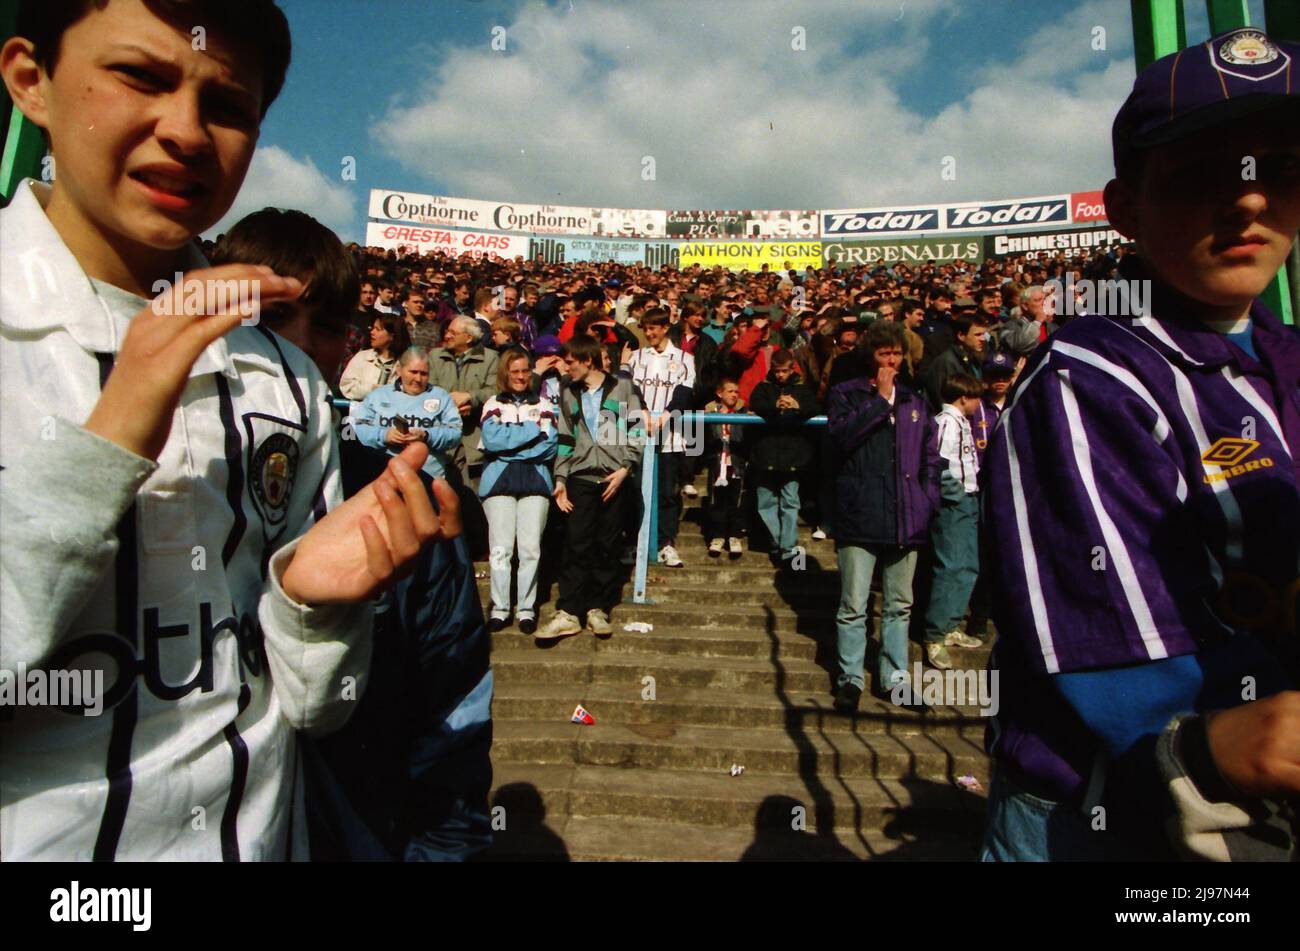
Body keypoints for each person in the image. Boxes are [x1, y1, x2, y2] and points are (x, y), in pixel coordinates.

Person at [0, 0, 454, 861]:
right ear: (32, 81)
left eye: (229, 107)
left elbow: (318, 705)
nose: (186, 132)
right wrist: (108, 443)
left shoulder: (281, 377)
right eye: (141, 76)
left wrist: (312, 608)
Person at [981, 27, 1300, 861]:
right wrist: (1201, 748)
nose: (1249, 201)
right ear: (1126, 207)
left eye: (1279, 168)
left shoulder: (1286, 359)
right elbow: (1119, 675)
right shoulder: (1084, 375)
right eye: (1202, 173)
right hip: (1097, 809)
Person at [827, 320, 942, 712]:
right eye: (884, 354)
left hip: (907, 518)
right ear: (870, 357)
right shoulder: (847, 394)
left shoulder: (915, 401)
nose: (891, 361)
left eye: (896, 354)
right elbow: (840, 438)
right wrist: (879, 400)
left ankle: (894, 680)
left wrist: (928, 500)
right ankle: (850, 679)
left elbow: (930, 457)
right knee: (854, 605)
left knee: (899, 605)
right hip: (860, 515)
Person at [538, 337, 645, 640]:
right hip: (580, 477)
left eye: (570, 362)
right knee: (577, 543)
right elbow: (565, 437)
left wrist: (625, 469)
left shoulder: (622, 387)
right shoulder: (568, 392)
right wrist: (560, 478)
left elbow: (636, 430)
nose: (565, 367)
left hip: (614, 476)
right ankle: (570, 610)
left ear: (588, 360)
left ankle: (597, 608)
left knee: (607, 545)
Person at [479, 350, 558, 635]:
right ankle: (500, 608)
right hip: (498, 483)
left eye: (526, 370)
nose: (522, 376)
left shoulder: (546, 403)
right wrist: (531, 431)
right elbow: (491, 439)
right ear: (506, 374)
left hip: (536, 481)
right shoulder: (492, 403)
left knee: (530, 549)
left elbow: (549, 445)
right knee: (500, 549)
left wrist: (509, 447)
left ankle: (526, 608)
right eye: (515, 372)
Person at [921, 373, 985, 670]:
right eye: (975, 398)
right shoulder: (946, 423)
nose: (978, 404)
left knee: (968, 565)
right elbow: (939, 464)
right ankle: (935, 634)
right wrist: (955, 495)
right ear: (963, 398)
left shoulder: (962, 423)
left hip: (969, 500)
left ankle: (950, 624)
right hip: (954, 505)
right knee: (950, 566)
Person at [621, 308, 695, 567]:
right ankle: (636, 543)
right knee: (636, 491)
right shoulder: (637, 357)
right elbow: (630, 388)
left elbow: (684, 393)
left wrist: (664, 416)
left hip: (670, 435)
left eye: (653, 328)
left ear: (665, 327)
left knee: (666, 492)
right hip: (640, 435)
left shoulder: (685, 358)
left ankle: (666, 544)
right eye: (646, 328)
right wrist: (642, 412)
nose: (649, 333)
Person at [747, 350, 820, 569]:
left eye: (784, 371)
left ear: (792, 369)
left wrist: (797, 408)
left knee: (790, 501)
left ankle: (787, 548)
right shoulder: (763, 388)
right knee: (765, 503)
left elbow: (815, 406)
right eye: (777, 371)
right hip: (766, 453)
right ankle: (780, 543)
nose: (780, 375)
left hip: (792, 455)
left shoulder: (802, 389)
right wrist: (775, 407)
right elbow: (756, 403)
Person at [352, 347, 463, 481]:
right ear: (399, 370)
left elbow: (456, 433)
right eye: (413, 372)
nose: (418, 378)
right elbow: (356, 428)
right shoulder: (379, 395)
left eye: (424, 374)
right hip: (383, 474)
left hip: (427, 476)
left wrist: (427, 436)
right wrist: (384, 435)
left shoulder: (441, 396)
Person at [428, 315, 500, 490]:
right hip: (441, 437)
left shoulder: (490, 358)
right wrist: (450, 405)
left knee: (471, 496)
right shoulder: (435, 356)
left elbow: (496, 391)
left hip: (473, 438)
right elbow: (428, 389)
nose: (447, 336)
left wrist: (470, 397)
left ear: (468, 337)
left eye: (453, 332)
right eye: (447, 332)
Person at [702, 377, 747, 558]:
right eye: (730, 391)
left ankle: (734, 535)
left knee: (735, 498)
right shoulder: (710, 411)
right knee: (717, 499)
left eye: (736, 392)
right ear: (719, 393)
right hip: (718, 460)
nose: (734, 395)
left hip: (735, 460)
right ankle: (718, 535)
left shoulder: (743, 411)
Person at [340, 312, 410, 400]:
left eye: (377, 329)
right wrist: (370, 390)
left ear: (392, 336)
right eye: (373, 328)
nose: (372, 332)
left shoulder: (406, 363)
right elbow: (346, 387)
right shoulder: (362, 357)